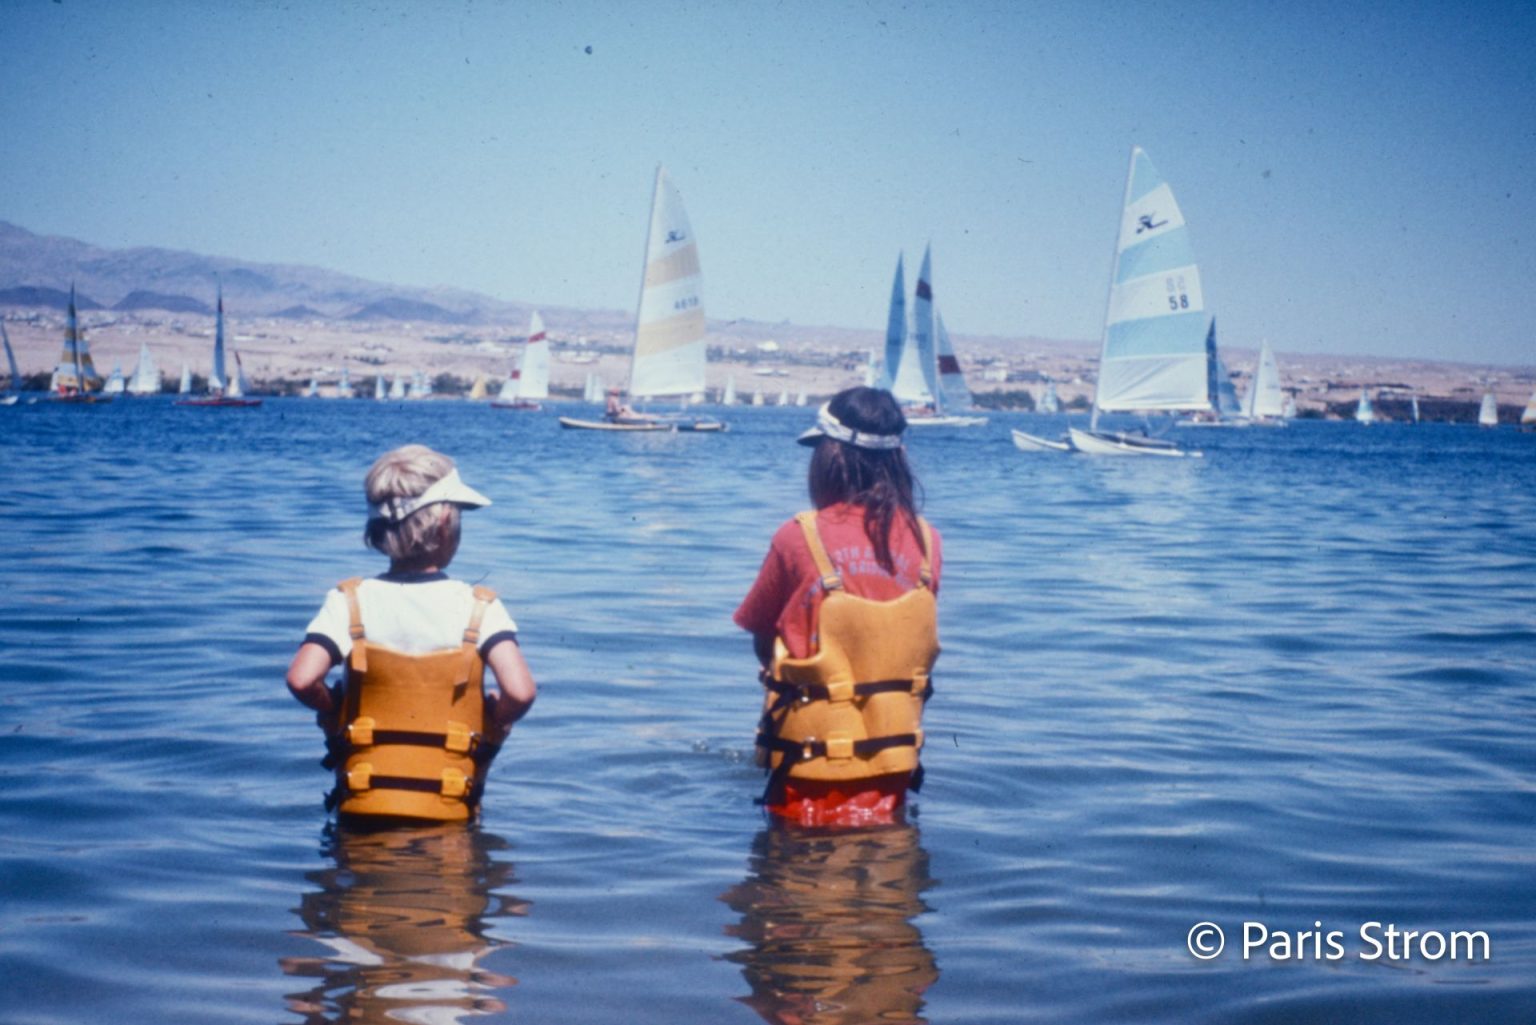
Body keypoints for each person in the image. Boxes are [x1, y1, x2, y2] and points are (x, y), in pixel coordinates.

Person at [286, 444, 536, 824]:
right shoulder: (480, 608)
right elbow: (520, 692)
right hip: (447, 816)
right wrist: (493, 720)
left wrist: (332, 709)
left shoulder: (347, 601)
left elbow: (302, 679)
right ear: (443, 525)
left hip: (362, 815)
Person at [734, 387, 942, 827]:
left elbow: (763, 639)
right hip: (892, 784)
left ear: (832, 457)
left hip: (805, 788)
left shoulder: (798, 536)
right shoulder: (928, 543)